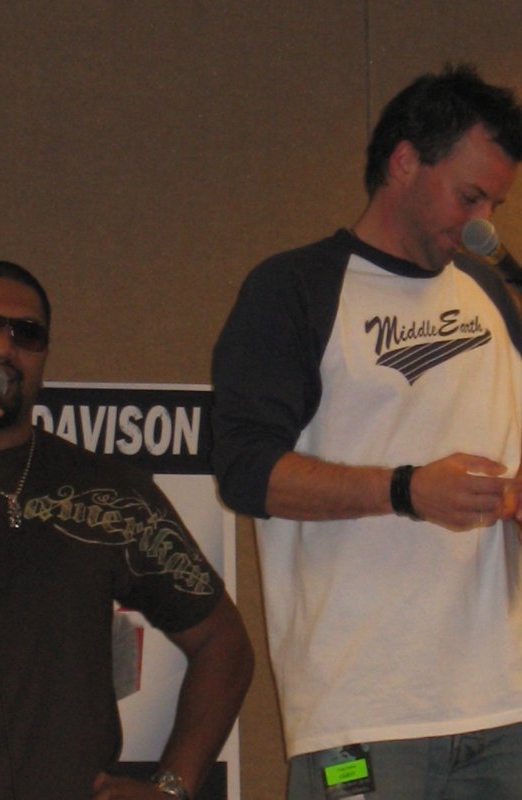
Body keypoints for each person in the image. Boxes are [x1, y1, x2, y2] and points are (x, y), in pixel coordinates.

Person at [211, 64, 522, 799]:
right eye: (469, 196)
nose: (483, 224)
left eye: (496, 204)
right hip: (364, 710)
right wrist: (408, 490)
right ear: (405, 161)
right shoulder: (294, 289)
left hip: (505, 704)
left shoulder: (488, 293)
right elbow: (244, 470)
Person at [0, 260, 254, 800]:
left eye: (26, 334)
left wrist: (173, 787)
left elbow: (224, 644)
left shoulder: (107, 491)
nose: (2, 348)